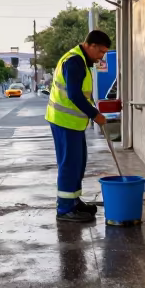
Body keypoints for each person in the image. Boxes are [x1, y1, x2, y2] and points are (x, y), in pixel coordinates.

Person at [45, 29, 111, 222]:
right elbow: (74, 95)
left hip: (72, 122)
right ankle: (65, 209)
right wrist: (94, 114)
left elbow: (79, 94)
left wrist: (91, 113)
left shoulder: (81, 60)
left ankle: (73, 201)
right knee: (69, 164)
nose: (101, 57)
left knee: (78, 163)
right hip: (64, 121)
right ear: (90, 46)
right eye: (100, 52)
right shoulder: (75, 62)